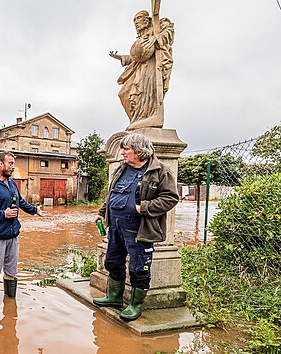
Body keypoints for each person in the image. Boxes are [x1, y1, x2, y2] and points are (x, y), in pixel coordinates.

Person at [93, 133, 178, 321]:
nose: (122, 152)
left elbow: (171, 198)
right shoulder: (121, 169)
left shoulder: (160, 171)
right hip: (116, 227)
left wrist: (145, 207)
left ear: (139, 151)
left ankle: (135, 305)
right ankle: (114, 297)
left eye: (126, 149)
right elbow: (111, 194)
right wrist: (102, 212)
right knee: (112, 262)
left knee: (139, 268)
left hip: (139, 229)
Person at [0, 151, 46, 301]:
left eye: (13, 163)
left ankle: (10, 306)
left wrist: (35, 210)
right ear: (0, 164)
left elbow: (20, 202)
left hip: (13, 236)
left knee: (11, 272)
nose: (13, 167)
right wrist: (3, 214)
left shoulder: (12, 184)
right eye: (10, 164)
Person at [109, 10, 174, 130]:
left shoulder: (156, 29)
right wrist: (120, 57)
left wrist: (155, 38)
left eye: (138, 18)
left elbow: (169, 31)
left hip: (151, 68)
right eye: (134, 20)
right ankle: (137, 120)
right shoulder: (142, 39)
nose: (136, 22)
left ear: (146, 19)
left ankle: (148, 116)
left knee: (145, 94)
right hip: (139, 69)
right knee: (123, 93)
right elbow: (136, 57)